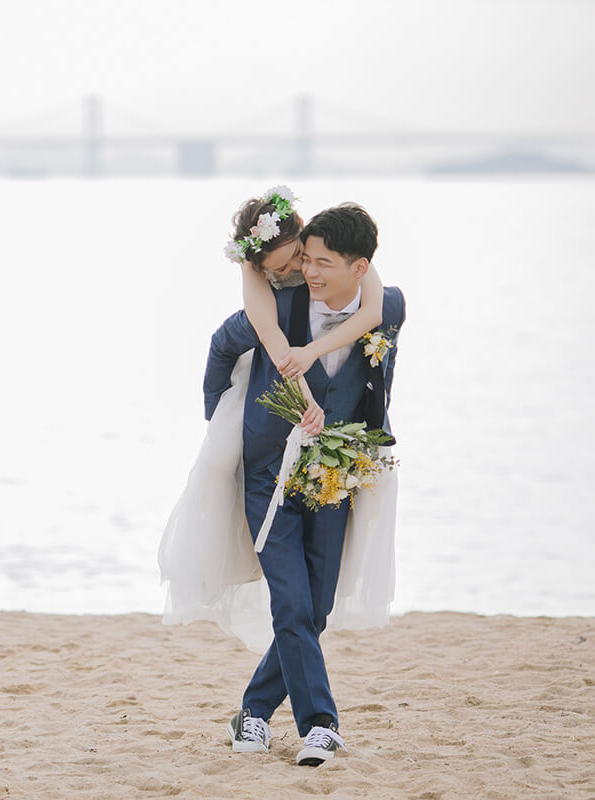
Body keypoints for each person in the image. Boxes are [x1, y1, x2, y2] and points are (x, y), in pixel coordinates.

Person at [202, 203, 405, 766]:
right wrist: (219, 424)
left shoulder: (386, 307)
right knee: (291, 602)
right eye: (304, 260)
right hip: (268, 473)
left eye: (322, 263)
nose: (308, 273)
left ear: (358, 268)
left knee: (313, 610)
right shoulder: (280, 302)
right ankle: (321, 724)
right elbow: (223, 344)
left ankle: (254, 712)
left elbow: (378, 377)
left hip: (337, 476)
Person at [158, 190, 396, 651]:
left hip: (307, 382)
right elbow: (265, 344)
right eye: (281, 268)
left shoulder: (331, 254)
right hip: (270, 378)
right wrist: (227, 409)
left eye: (298, 258)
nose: (294, 273)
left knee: (309, 596)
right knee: (215, 464)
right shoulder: (257, 275)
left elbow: (372, 312)